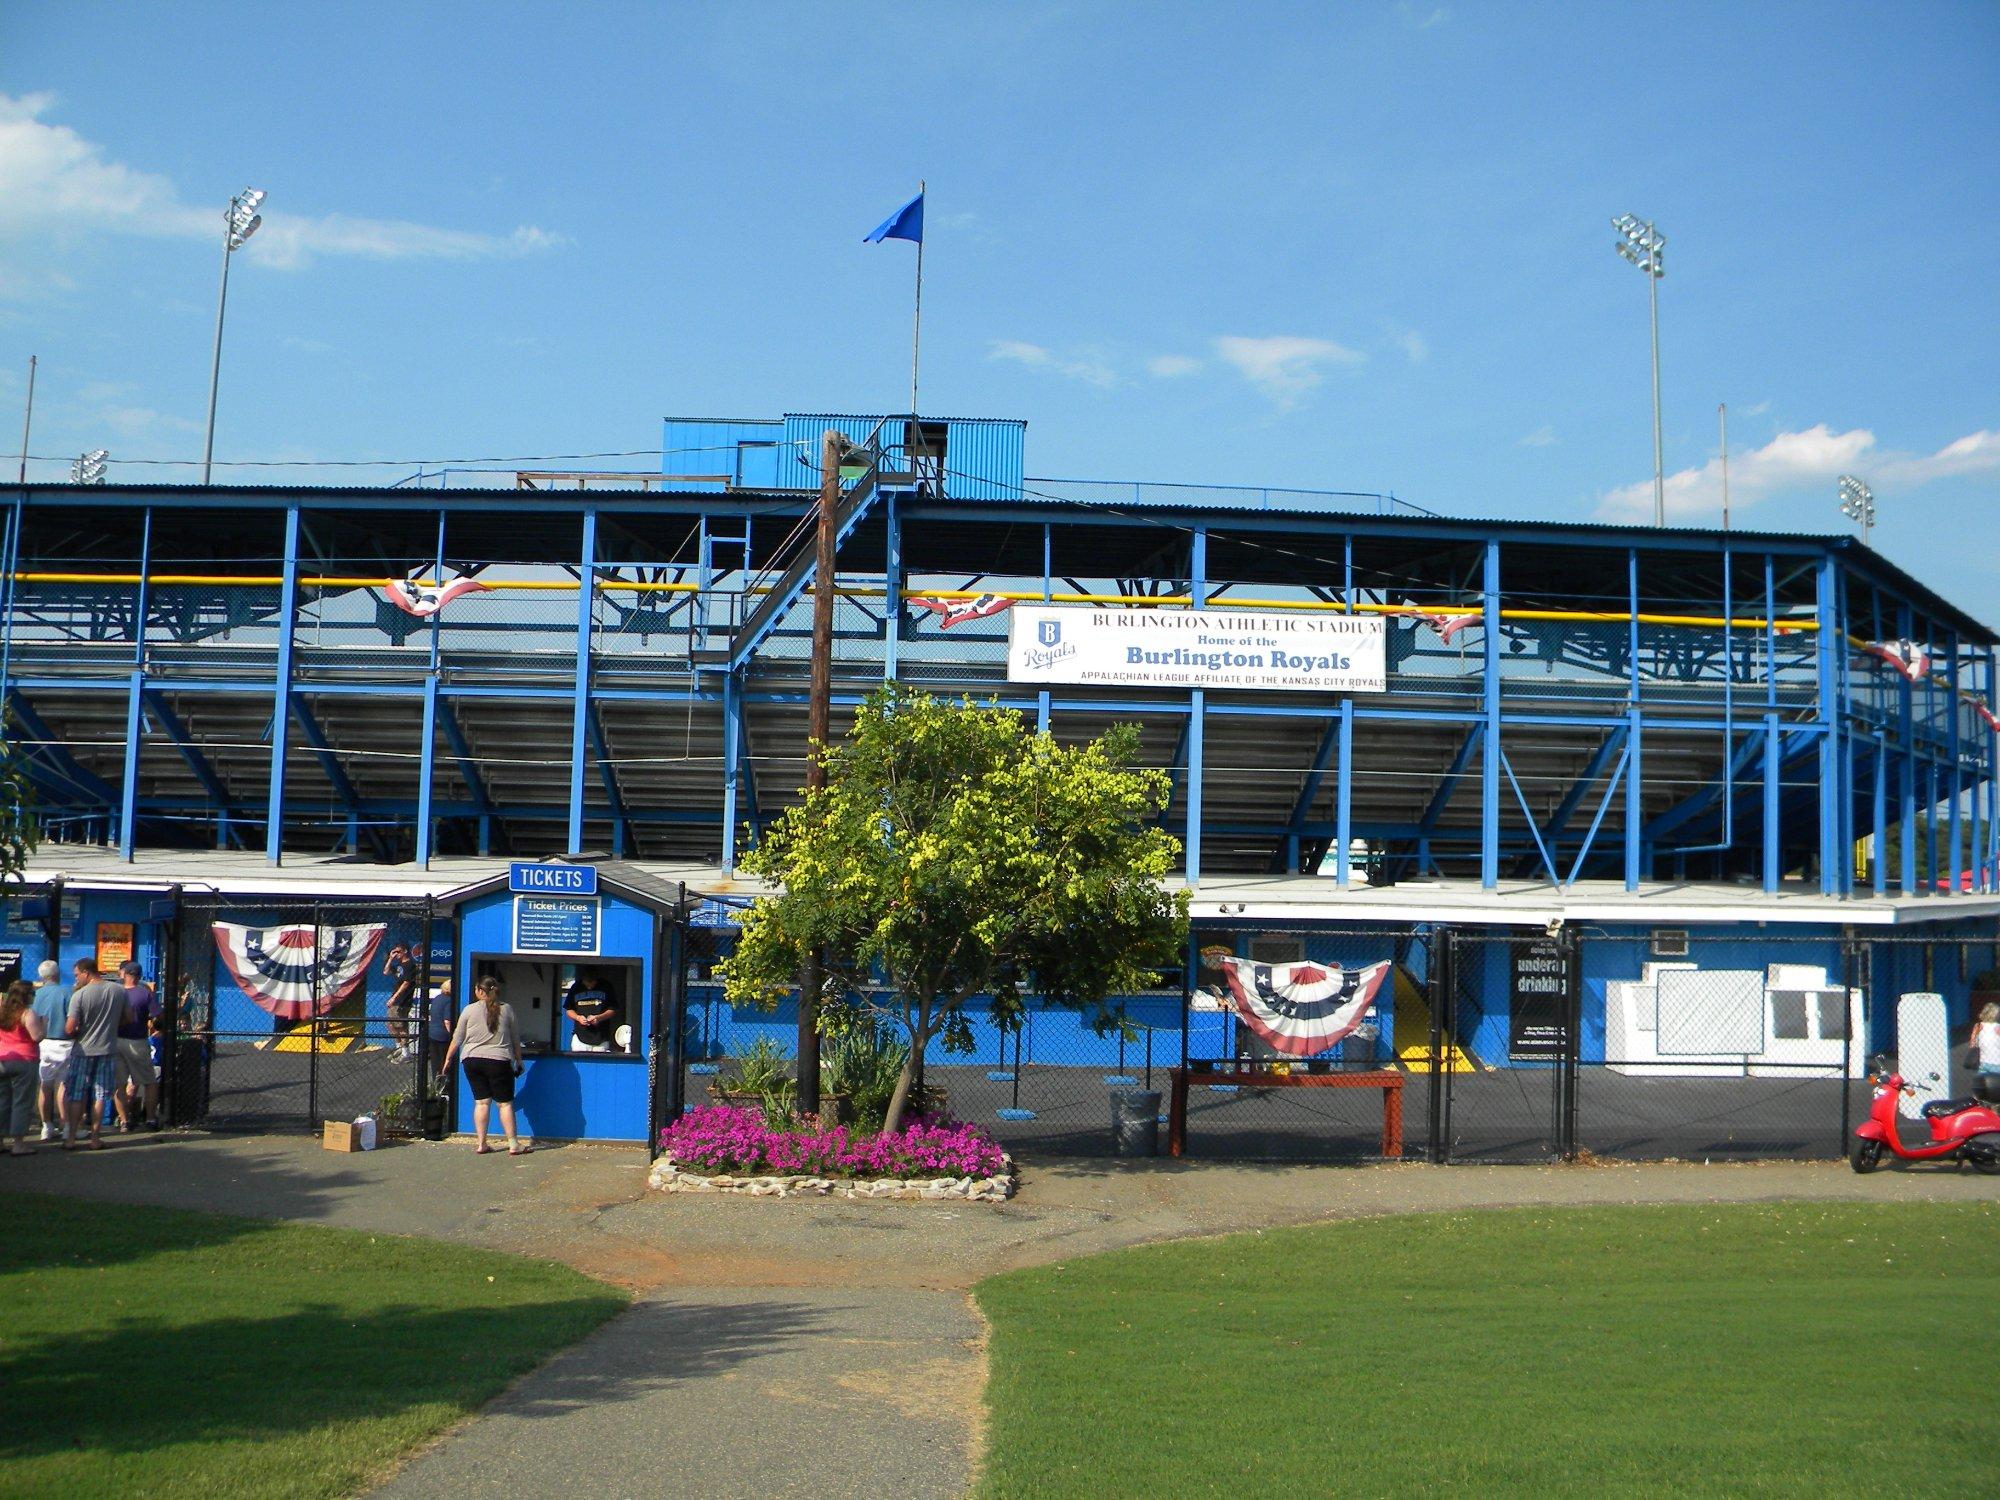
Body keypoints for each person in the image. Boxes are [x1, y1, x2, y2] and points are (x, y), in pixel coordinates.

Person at [437, 976, 528, 1155]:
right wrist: (519, 1060)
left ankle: (481, 1144)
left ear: (479, 991)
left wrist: (448, 1059)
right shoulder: (507, 1009)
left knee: (481, 1102)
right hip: (499, 1060)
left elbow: (457, 1037)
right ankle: (513, 1144)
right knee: (504, 1104)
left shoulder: (468, 1010)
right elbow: (515, 1039)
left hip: (471, 1060)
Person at [63, 957, 127, 1151]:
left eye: (77, 975)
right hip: (107, 1049)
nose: (76, 979)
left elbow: (70, 1028)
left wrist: (78, 1031)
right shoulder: (118, 991)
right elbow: (129, 1017)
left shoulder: (80, 995)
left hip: (83, 1050)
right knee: (100, 1096)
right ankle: (95, 1138)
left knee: (76, 1094)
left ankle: (71, 1138)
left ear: (86, 972)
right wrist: (111, 1027)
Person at [0, 978, 45, 1156]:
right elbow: (36, 1036)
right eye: (32, 992)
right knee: (22, 1101)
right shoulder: (27, 1013)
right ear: (26, 995)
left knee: (2, 1100)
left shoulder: (3, 1011)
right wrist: (44, 1025)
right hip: (25, 1060)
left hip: (3, 1059)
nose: (34, 995)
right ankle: (18, 1143)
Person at [115, 961, 161, 1132]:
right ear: (139, 976)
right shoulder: (145, 993)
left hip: (116, 1040)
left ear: (124, 974)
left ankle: (124, 1121)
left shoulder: (115, 992)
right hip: (138, 1040)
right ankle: (150, 1119)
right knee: (149, 1082)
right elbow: (157, 1015)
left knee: (119, 1084)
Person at [31, 959, 69, 1142]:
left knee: (45, 1086)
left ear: (41, 976)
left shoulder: (36, 995)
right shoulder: (67, 992)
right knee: (64, 1086)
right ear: (58, 974)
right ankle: (66, 1125)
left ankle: (46, 1126)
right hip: (65, 1043)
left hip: (43, 1043)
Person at [564, 971, 620, 1054]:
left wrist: (599, 1017)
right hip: (580, 1037)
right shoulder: (576, 987)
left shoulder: (605, 986)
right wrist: (578, 1018)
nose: (589, 985)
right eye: (587, 982)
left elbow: (613, 1009)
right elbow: (569, 1009)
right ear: (583, 980)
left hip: (601, 1037)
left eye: (592, 982)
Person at [382, 943, 417, 1061]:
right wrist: (390, 959)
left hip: (403, 999)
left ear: (405, 951)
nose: (396, 954)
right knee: (390, 1024)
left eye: (398, 952)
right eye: (395, 952)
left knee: (400, 1025)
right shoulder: (399, 965)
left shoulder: (410, 965)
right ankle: (399, 1047)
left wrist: (394, 998)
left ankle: (406, 1053)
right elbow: (386, 972)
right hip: (396, 999)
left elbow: (406, 983)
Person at [1974, 1002, 2000, 1096]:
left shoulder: (1979, 1026)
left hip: (1983, 1062)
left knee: (1980, 1086)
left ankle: (1977, 1100)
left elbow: (1974, 1043)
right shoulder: (1998, 1027)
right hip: (1997, 1063)